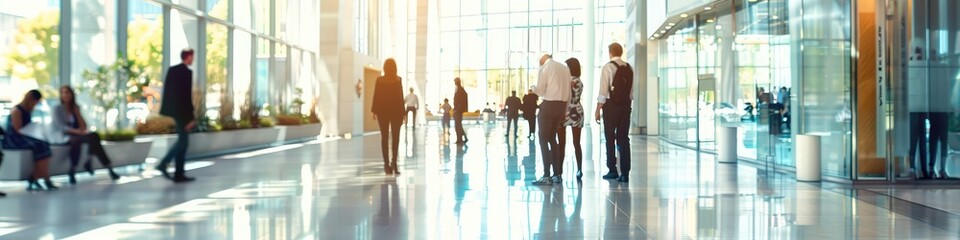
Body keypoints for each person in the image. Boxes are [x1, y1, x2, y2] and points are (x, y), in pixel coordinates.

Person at [52, 85, 121, 184]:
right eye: (62, 93)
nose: (65, 95)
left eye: (67, 92)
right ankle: (73, 169)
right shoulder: (57, 108)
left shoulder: (75, 107)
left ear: (71, 94)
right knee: (77, 140)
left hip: (78, 134)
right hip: (64, 136)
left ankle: (107, 167)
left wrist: (77, 113)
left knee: (94, 136)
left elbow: (84, 126)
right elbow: (60, 127)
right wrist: (77, 132)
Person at [2, 90, 58, 191]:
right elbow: (17, 129)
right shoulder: (17, 110)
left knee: (44, 145)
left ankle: (35, 178)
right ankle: (45, 179)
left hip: (25, 136)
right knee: (39, 145)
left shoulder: (28, 110)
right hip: (14, 139)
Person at [157, 48, 198, 183]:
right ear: (188, 57)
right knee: (183, 142)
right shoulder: (186, 72)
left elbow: (170, 94)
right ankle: (164, 163)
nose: (193, 59)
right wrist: (190, 118)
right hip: (182, 113)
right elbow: (185, 97)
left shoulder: (173, 70)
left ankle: (179, 174)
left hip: (175, 111)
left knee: (184, 143)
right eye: (192, 56)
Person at [596, 43, 634, 183]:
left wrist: (598, 109)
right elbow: (632, 92)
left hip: (611, 106)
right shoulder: (629, 68)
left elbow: (603, 91)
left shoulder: (608, 67)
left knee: (610, 138)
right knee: (624, 138)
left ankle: (612, 169)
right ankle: (625, 173)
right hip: (626, 106)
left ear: (610, 52)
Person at [531, 54, 571, 186]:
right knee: (553, 139)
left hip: (548, 106)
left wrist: (533, 89)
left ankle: (546, 175)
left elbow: (541, 91)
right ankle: (557, 174)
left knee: (543, 139)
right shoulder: (565, 68)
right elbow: (569, 92)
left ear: (541, 61)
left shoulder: (545, 68)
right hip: (561, 106)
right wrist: (565, 110)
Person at [372, 59, 406, 175]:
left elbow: (376, 96)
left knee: (384, 138)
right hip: (396, 113)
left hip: (382, 112)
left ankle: (387, 165)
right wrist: (403, 113)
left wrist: (374, 111)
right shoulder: (398, 80)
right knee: (395, 138)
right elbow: (400, 97)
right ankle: (394, 164)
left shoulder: (380, 80)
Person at [557, 58, 585, 181]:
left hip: (564, 112)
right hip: (577, 112)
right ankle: (579, 169)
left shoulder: (567, 81)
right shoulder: (579, 81)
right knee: (576, 143)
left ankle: (559, 171)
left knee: (561, 144)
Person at [453, 78, 469, 144]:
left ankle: (459, 139)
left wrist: (457, 109)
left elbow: (461, 102)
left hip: (458, 111)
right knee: (458, 125)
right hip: (458, 110)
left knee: (458, 125)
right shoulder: (460, 90)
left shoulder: (460, 90)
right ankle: (463, 138)